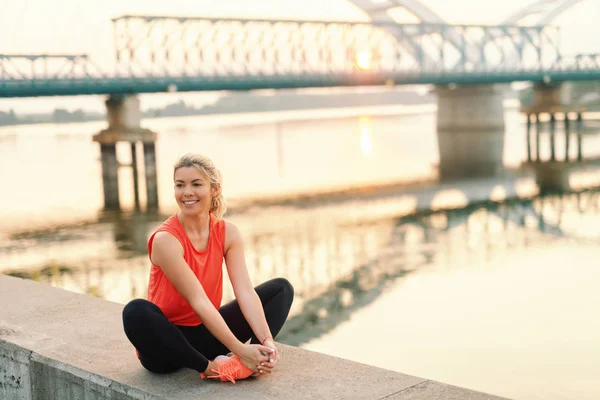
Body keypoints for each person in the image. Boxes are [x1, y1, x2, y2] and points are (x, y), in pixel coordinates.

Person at [122, 153, 294, 383]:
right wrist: (239, 348)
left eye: (196, 184)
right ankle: (212, 369)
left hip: (206, 335)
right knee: (135, 311)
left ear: (214, 189)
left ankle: (251, 363)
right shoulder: (166, 240)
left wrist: (266, 342)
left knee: (281, 289)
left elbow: (245, 292)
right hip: (166, 346)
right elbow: (198, 300)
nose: (187, 192)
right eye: (180, 185)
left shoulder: (228, 233)